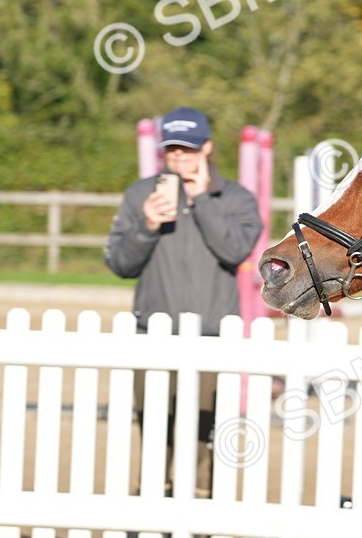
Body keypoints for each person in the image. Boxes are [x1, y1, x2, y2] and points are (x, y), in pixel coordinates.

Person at [103, 106, 263, 494]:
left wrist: (202, 200)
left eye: (187, 149)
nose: (178, 157)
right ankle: (151, 512)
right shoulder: (140, 195)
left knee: (204, 436)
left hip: (212, 335)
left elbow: (236, 251)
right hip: (152, 335)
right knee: (155, 433)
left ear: (206, 148)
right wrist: (147, 226)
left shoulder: (236, 198)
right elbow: (119, 263)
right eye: (171, 150)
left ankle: (202, 517)